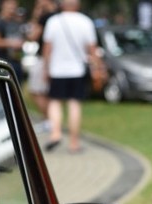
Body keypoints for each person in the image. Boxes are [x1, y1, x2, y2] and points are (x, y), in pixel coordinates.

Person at [42, 0, 96, 153]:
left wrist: (46, 68)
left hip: (57, 70)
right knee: (74, 104)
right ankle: (74, 143)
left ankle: (55, 133)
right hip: (77, 70)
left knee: (55, 103)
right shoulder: (85, 22)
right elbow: (92, 49)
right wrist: (97, 67)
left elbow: (47, 48)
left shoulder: (53, 21)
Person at [26, 0, 58, 132]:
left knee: (35, 90)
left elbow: (32, 36)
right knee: (48, 92)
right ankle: (51, 121)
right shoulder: (60, 15)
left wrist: (36, 14)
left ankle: (50, 120)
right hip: (58, 59)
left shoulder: (44, 17)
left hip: (44, 58)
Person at [0, 0, 27, 81]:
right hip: (5, 64)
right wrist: (11, 43)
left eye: (14, 3)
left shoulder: (17, 22)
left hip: (17, 63)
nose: (12, 6)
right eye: (10, 3)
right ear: (3, 5)